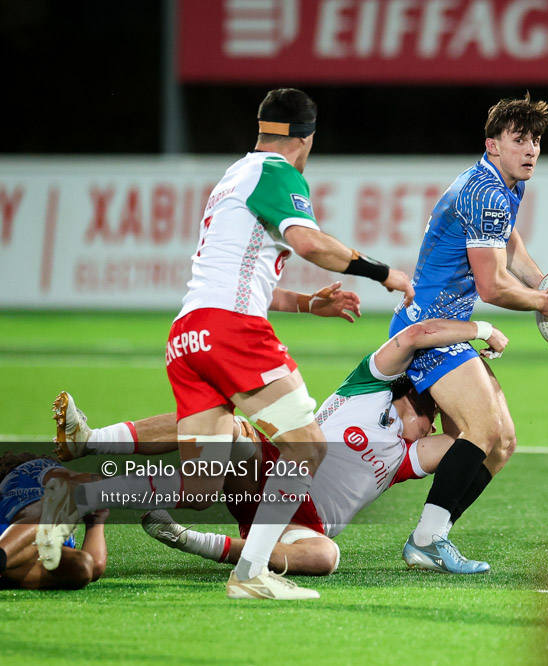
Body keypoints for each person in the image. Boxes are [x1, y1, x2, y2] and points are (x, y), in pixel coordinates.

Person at [36, 88, 415, 600]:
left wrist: (307, 304)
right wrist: (382, 272)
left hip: (188, 335)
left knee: (200, 486)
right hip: (229, 331)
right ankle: (251, 573)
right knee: (306, 444)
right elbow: (309, 243)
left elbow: (238, 275)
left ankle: (75, 497)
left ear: (261, 129)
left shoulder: (232, 178)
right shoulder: (279, 173)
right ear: (306, 139)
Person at [51, 318, 507, 577]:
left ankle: (198, 543)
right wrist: (476, 331)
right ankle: (92, 442)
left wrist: (478, 376)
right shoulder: (369, 384)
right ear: (422, 400)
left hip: (302, 522)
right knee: (225, 426)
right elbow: (411, 337)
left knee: (324, 558)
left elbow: (472, 433)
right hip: (272, 469)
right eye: (432, 418)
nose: (431, 431)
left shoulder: (409, 457)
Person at [388, 93, 548, 572]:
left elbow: (510, 244)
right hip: (429, 329)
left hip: (451, 328)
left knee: (500, 445)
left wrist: (545, 283)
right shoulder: (485, 192)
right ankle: (414, 520)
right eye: (519, 139)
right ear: (492, 144)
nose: (531, 149)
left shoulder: (504, 186)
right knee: (483, 431)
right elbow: (493, 285)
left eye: (536, 140)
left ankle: (429, 535)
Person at [0, 452, 108, 590]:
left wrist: (96, 521)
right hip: (19, 534)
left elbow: (95, 567)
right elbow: (89, 481)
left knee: (82, 564)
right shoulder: (31, 468)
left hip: (23, 554)